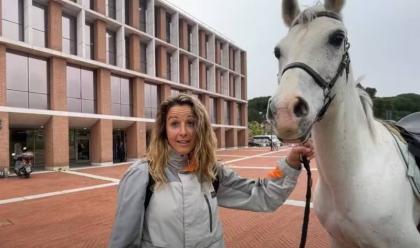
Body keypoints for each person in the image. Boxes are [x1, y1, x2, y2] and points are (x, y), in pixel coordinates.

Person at [109, 93, 314, 248]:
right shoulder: (143, 175)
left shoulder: (211, 171)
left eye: (191, 123)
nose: (183, 132)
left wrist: (290, 163)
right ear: (164, 130)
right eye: (174, 124)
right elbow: (123, 242)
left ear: (201, 128)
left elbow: (262, 193)